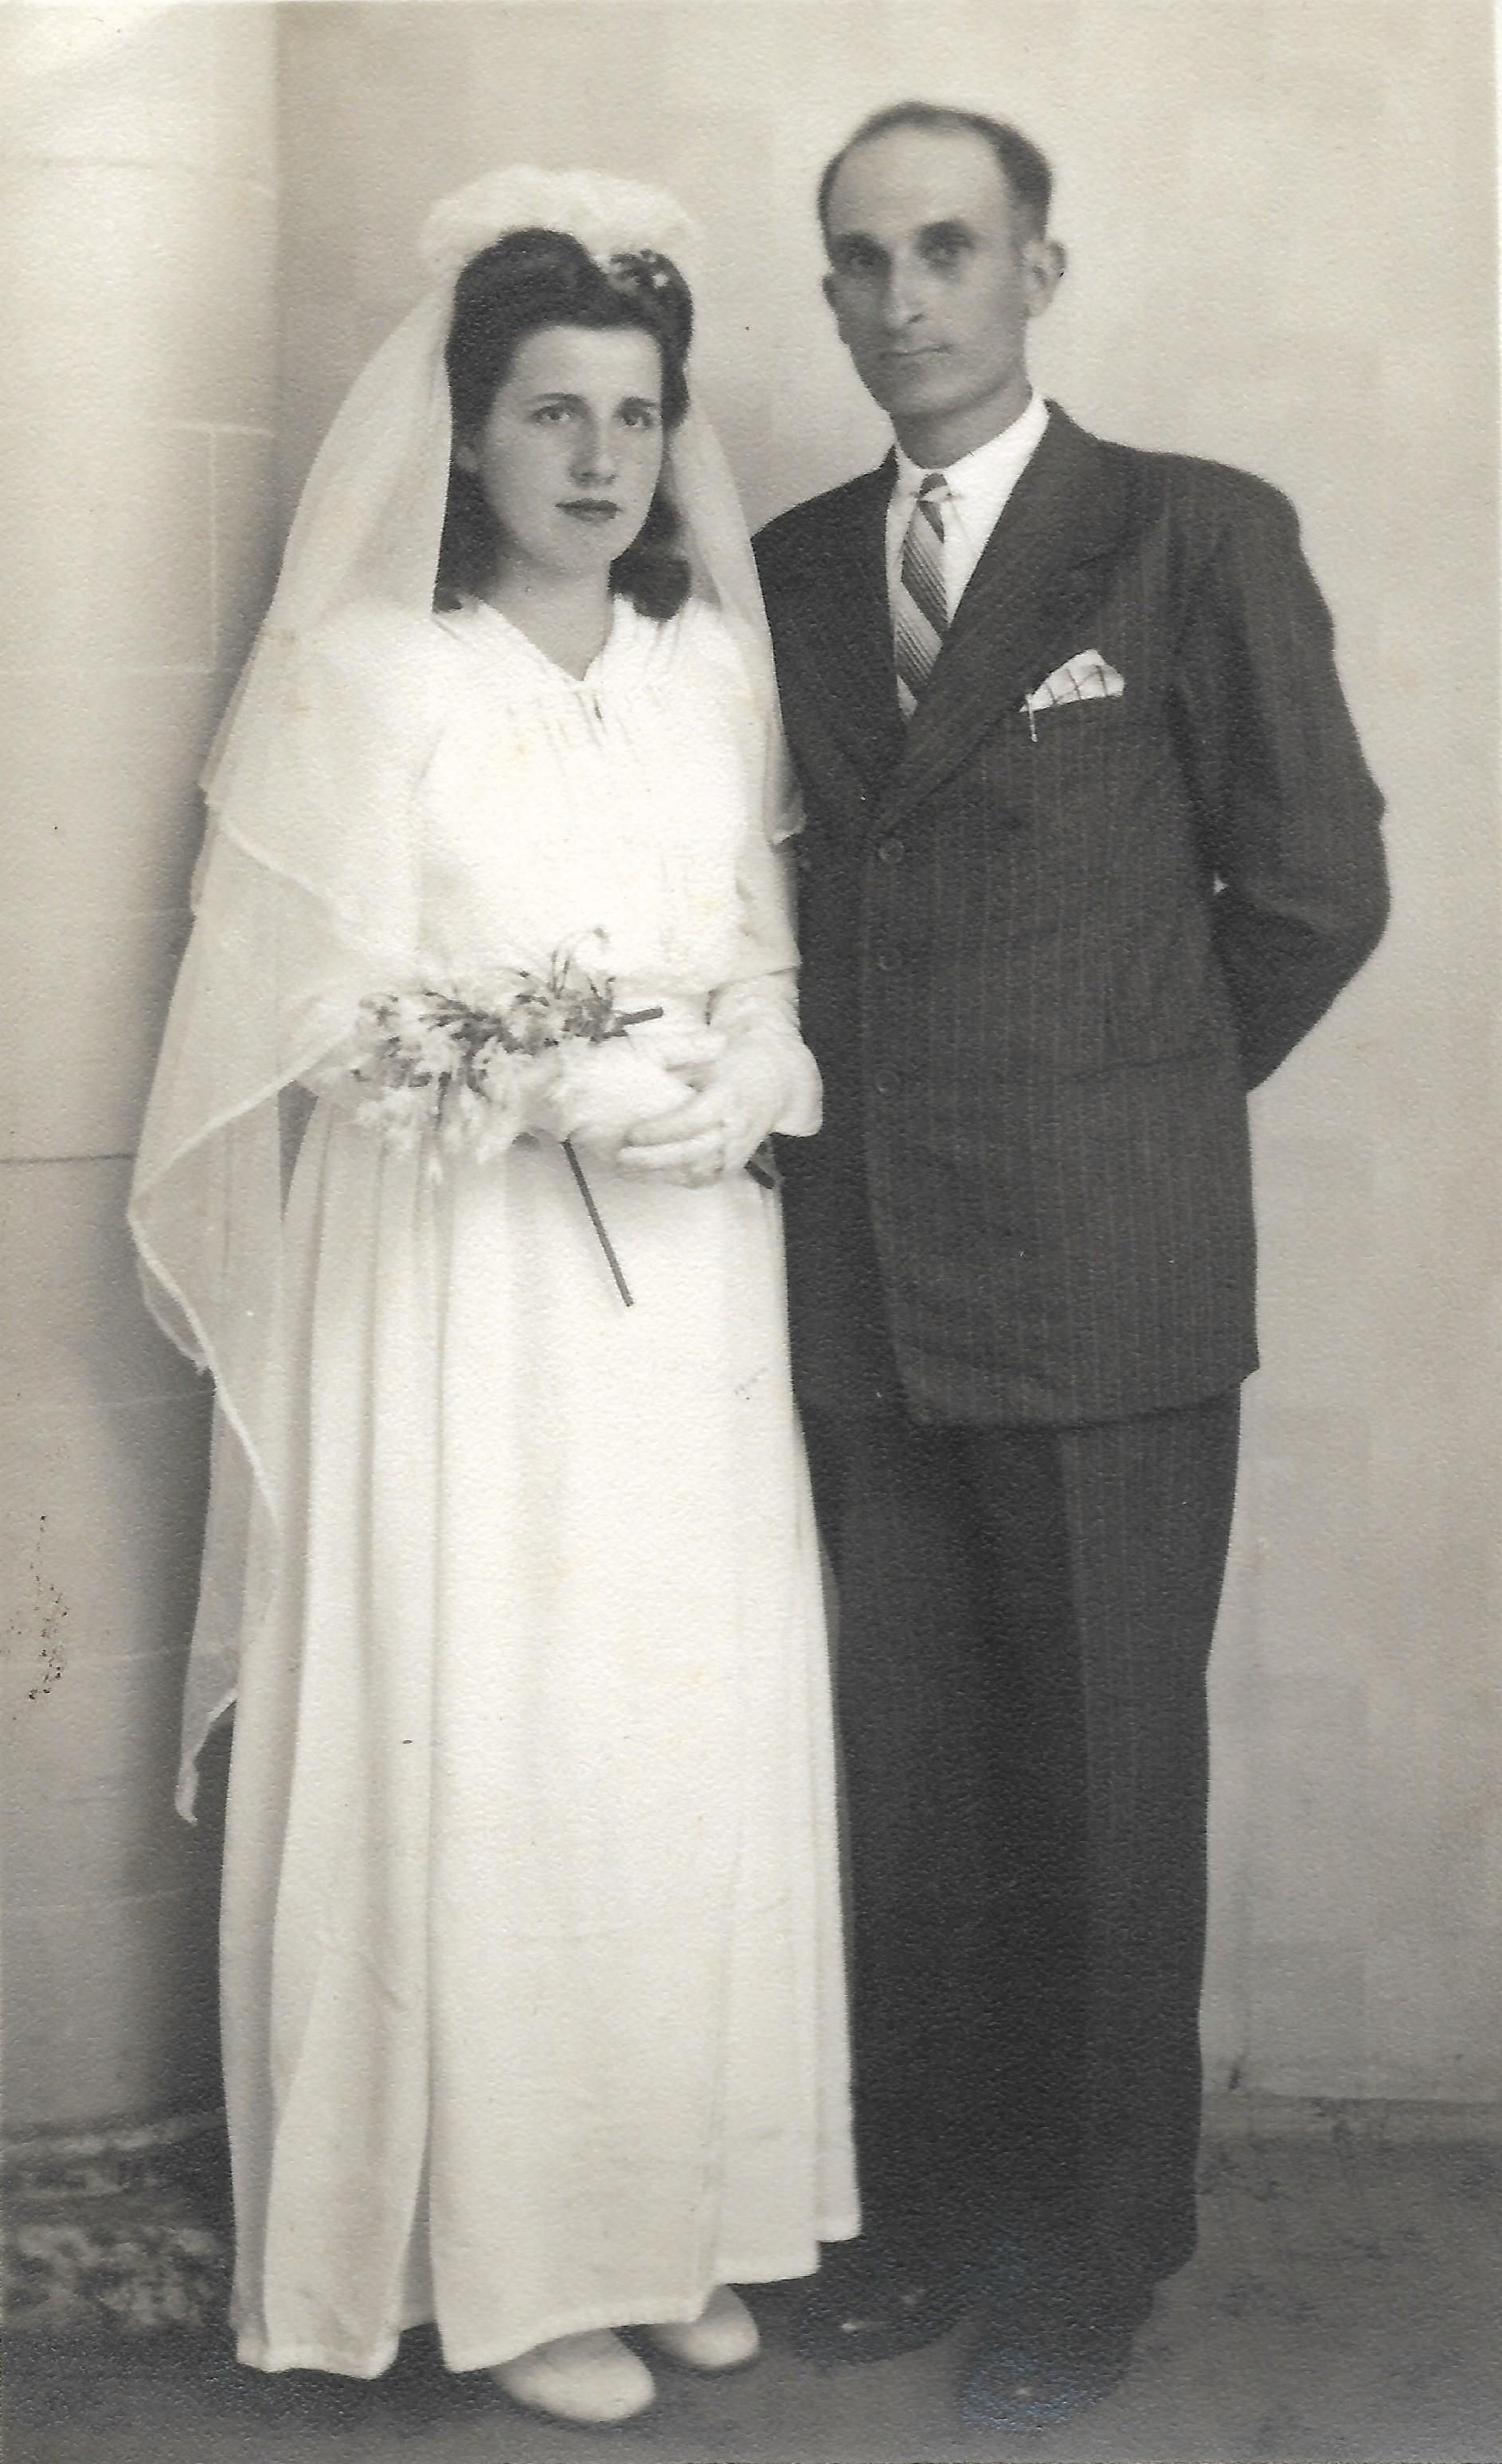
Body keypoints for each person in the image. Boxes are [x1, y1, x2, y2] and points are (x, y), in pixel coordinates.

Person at [130, 168, 857, 2428]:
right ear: (467, 434)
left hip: (691, 1274)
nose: (600, 460)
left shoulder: (709, 667)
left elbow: (756, 943)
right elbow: (309, 999)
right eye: (551, 413)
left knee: (674, 1731)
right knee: (506, 1719)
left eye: (633, 415)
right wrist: (538, 1089)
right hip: (465, 1280)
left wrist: (752, 1067)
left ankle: (677, 2227)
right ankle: (505, 2262)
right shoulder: (372, 674)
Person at [754, 102, 1387, 2429]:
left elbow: (1315, 889)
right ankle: (918, 2217)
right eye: (859, 260)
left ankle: (1090, 2259)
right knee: (906, 1787)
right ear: (823, 292)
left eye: (947, 249)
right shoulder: (798, 565)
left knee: (1102, 1795)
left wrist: (1120, 1106)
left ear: (1040, 269)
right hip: (869, 1291)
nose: (901, 299)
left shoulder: (1189, 534)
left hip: (1111, 1288)